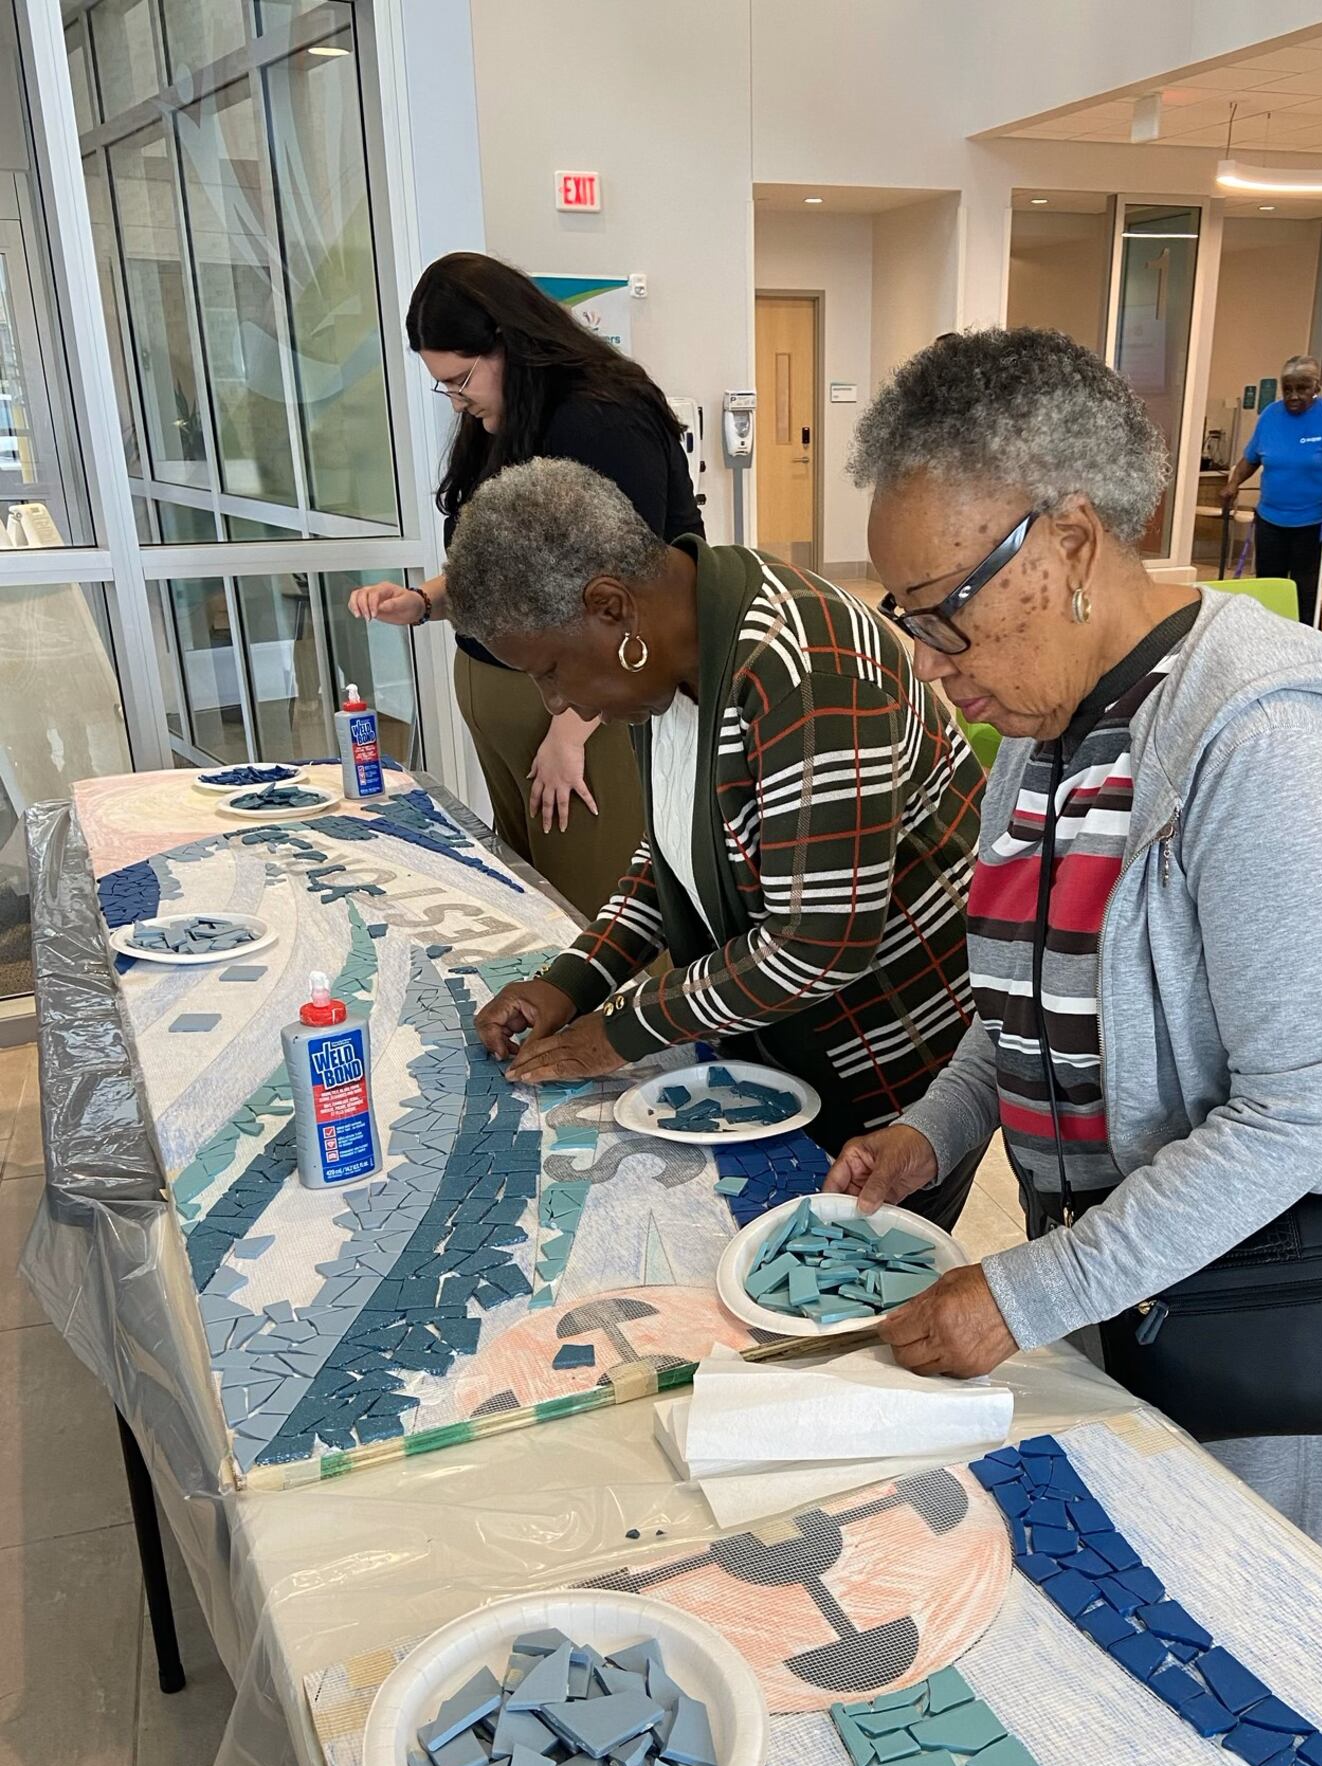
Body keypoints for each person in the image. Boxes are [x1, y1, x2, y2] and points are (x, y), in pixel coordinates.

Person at [824, 327, 1322, 1578]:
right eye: (907, 621)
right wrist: (936, 1130)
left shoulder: (1260, 737)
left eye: (944, 617)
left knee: (1260, 1611)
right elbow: (1030, 973)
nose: (930, 667)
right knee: (1140, 1572)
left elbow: (1300, 1109)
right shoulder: (1044, 711)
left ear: (1068, 546)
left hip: (1276, 1290)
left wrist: (1022, 1295)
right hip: (1126, 1264)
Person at [445, 457, 985, 1224]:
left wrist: (621, 1030)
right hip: (781, 1049)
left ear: (611, 609)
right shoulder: (669, 664)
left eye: (553, 670)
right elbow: (670, 854)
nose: (557, 700)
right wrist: (575, 980)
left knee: (847, 1304)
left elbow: (820, 941)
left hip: (892, 1075)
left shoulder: (803, 661)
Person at [347, 253, 703, 914]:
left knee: (598, 911)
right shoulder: (504, 416)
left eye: (460, 380)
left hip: (582, 715)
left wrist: (570, 730)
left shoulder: (603, 417)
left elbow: (626, 591)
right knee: (536, 907)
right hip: (521, 703)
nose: (457, 400)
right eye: (443, 388)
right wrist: (425, 601)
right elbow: (504, 562)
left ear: (506, 342)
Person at [1221, 356, 1322, 627]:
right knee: (1270, 591)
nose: (1294, 396)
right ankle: (1270, 648)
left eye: (1302, 389)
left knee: (1305, 594)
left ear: (1316, 387)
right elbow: (1251, 459)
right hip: (1270, 521)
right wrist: (1233, 484)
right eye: (1288, 389)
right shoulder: (1271, 415)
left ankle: (1308, 651)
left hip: (1312, 524)